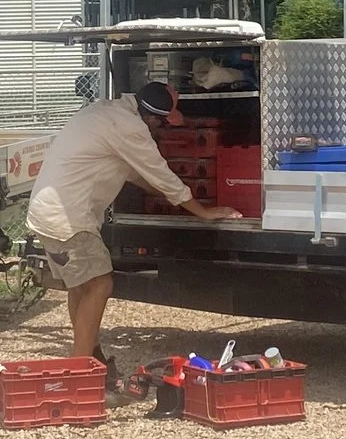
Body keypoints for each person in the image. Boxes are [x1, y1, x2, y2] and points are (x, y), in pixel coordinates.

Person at [26, 79, 240, 366]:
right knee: (100, 284)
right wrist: (201, 210)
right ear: (151, 118)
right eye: (163, 124)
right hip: (67, 220)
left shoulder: (108, 112)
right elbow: (159, 172)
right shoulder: (131, 128)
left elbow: (137, 173)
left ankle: (92, 355)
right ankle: (79, 370)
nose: (162, 129)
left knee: (81, 286)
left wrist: (171, 195)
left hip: (47, 214)